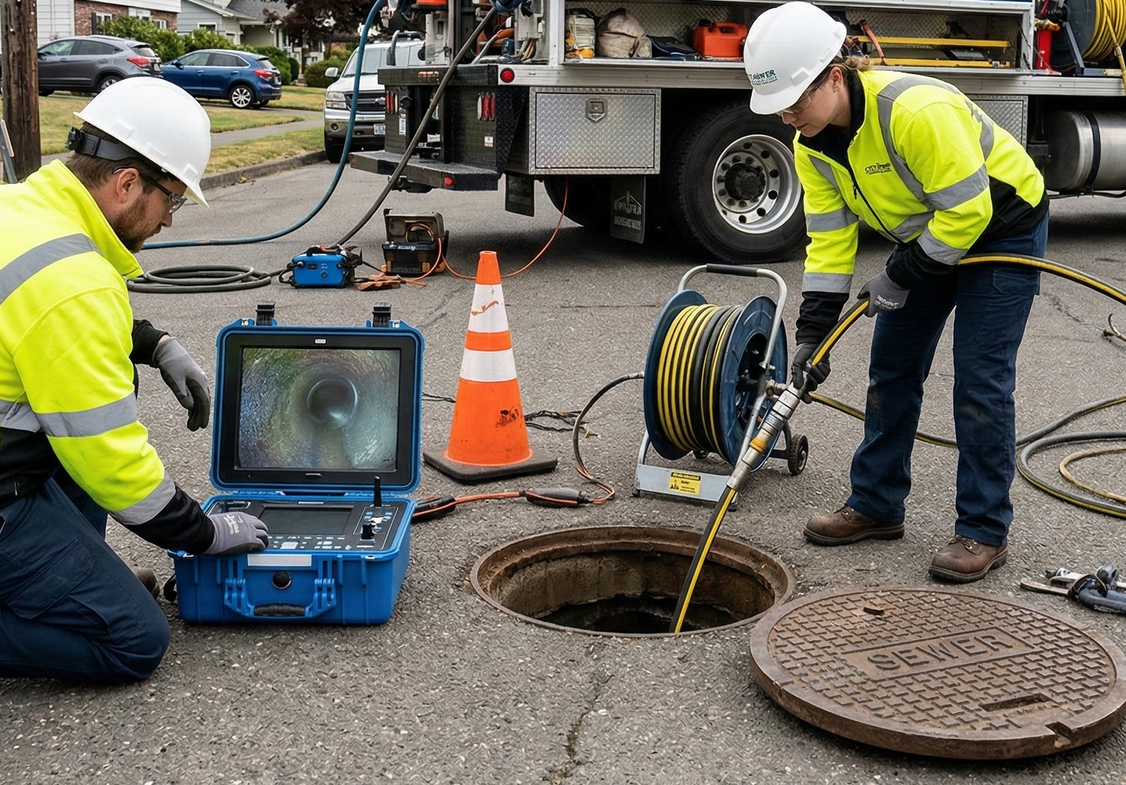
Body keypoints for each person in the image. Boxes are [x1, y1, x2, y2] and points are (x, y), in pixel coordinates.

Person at [743, 2, 1048, 582]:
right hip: (927, 238)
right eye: (777, 106)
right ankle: (876, 505)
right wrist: (813, 337)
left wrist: (900, 277)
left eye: (795, 100)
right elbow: (830, 243)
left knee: (980, 378)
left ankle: (983, 530)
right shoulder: (812, 146)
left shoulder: (913, 111)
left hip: (1001, 225)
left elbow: (967, 211)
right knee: (891, 369)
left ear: (835, 75)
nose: (787, 116)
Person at [0, 78, 270, 684]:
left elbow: (35, 319)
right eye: (170, 199)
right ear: (127, 185)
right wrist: (204, 532)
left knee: (109, 381)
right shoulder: (74, 280)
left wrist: (151, 344)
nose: (169, 220)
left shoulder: (21, 210)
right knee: (133, 639)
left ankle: (76, 578)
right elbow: (115, 467)